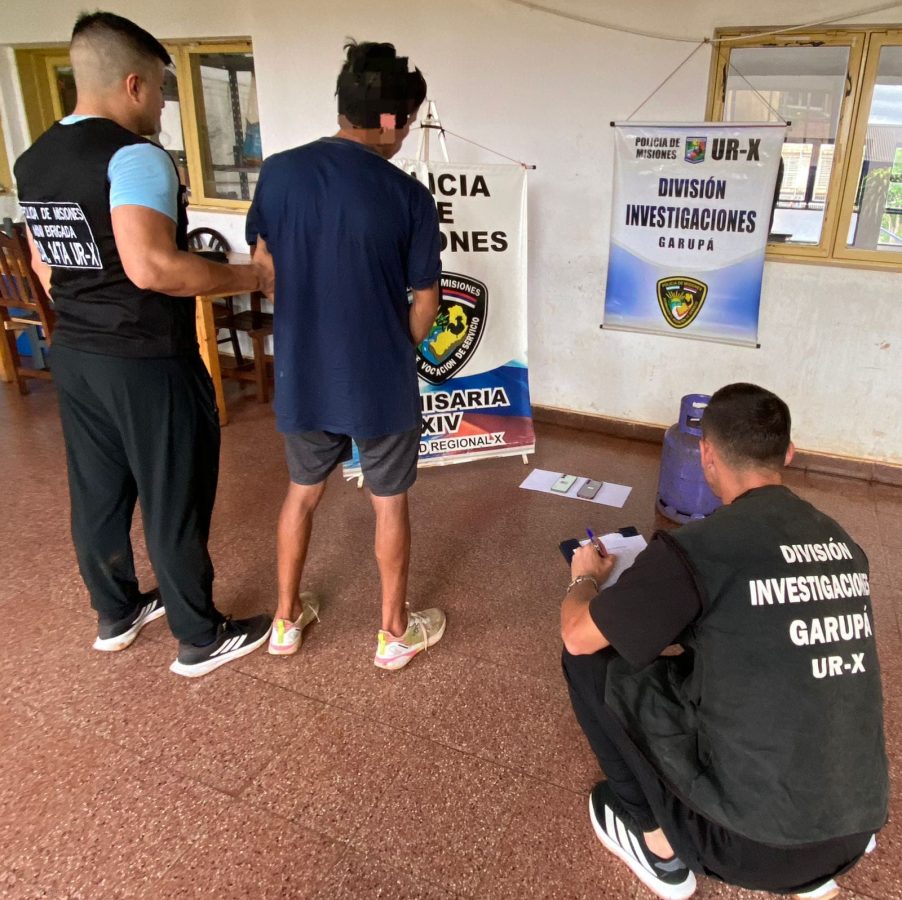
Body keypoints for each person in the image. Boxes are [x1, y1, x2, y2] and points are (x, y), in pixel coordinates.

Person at [15, 12, 274, 677]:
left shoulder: (35, 157)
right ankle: (200, 635)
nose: (162, 104)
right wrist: (252, 276)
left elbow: (48, 266)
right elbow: (152, 267)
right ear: (132, 83)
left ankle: (117, 611)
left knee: (99, 492)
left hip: (75, 350)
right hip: (144, 360)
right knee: (173, 492)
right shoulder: (133, 156)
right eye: (160, 89)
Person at [560, 383, 888, 900]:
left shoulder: (702, 546)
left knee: (590, 660)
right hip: (854, 828)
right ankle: (810, 853)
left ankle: (659, 850)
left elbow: (578, 635)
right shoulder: (845, 545)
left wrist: (584, 579)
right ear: (788, 454)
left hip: (745, 845)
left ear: (706, 454)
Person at [246, 41, 444, 668]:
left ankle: (284, 622)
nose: (405, 134)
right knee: (389, 501)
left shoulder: (277, 172)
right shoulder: (408, 197)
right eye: (406, 121)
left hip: (303, 374)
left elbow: (263, 267)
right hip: (378, 382)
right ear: (390, 120)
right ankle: (392, 634)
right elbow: (427, 305)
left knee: (301, 493)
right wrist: (392, 348)